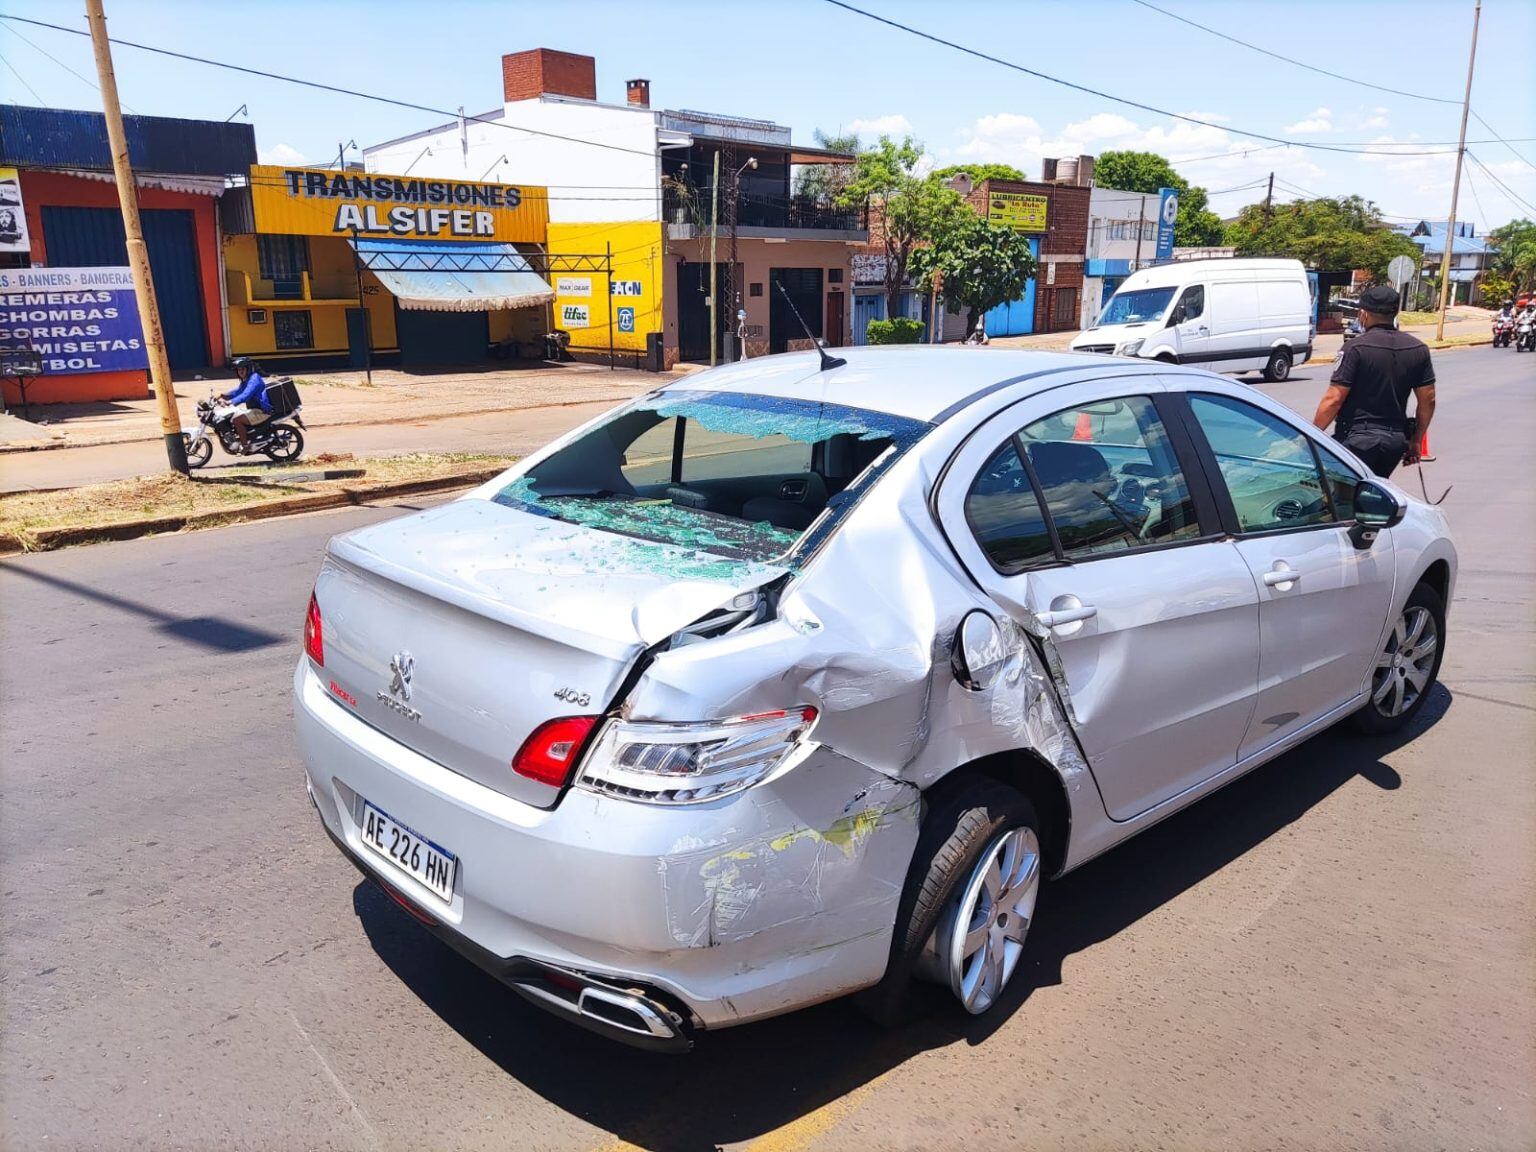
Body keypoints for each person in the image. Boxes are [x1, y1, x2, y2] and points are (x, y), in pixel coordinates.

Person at [1312, 283, 1435, 478]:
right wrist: (1416, 441)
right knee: (1376, 493)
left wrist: (1312, 437)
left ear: (1364, 314)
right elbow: (1428, 400)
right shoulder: (1418, 349)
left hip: (1356, 439)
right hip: (1395, 441)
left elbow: (1334, 399)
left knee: (1343, 497)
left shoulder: (1354, 348)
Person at [219, 357, 272, 454]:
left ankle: (245, 445)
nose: (241, 371)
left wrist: (230, 402)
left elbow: (246, 395)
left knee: (237, 420)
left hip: (262, 411)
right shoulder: (247, 380)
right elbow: (238, 391)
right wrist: (223, 395)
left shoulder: (254, 379)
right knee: (231, 416)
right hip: (254, 409)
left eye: (243, 368)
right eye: (239, 369)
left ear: (248, 368)